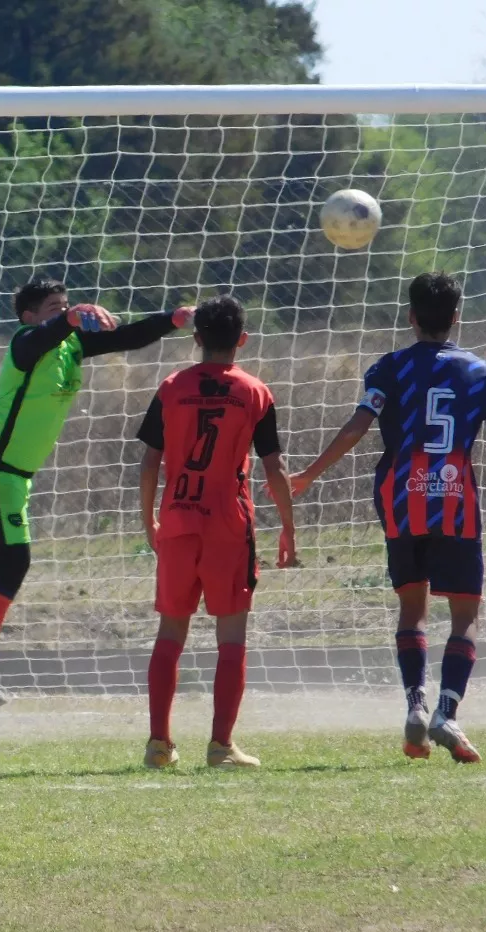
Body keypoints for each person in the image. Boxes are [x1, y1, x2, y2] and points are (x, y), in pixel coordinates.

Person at [0, 277, 194, 717]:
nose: (66, 312)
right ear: (29, 316)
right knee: (12, 560)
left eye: (66, 304)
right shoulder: (27, 343)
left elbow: (125, 336)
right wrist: (66, 318)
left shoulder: (72, 346)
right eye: (52, 306)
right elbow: (44, 335)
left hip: (8, 474)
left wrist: (173, 319)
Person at [291, 272, 486, 763]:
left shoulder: (387, 368)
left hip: (401, 498)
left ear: (412, 316)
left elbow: (359, 424)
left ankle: (416, 706)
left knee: (412, 606)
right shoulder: (482, 372)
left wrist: (310, 473)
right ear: (456, 317)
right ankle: (447, 711)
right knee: (465, 613)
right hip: (455, 501)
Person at [137, 296, 296, 769]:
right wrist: (288, 526)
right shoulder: (254, 392)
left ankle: (158, 745)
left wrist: (149, 519)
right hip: (229, 524)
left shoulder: (171, 387)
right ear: (242, 340)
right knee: (232, 637)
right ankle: (221, 746)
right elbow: (274, 468)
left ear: (197, 339)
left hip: (179, 519)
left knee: (170, 632)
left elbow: (149, 462)